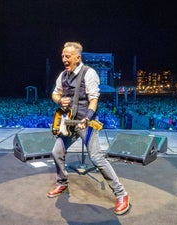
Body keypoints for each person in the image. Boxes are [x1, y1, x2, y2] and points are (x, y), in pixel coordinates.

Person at [47, 42, 130, 215]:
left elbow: (94, 99)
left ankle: (122, 194)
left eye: (67, 56)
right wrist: (58, 100)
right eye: (62, 56)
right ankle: (62, 182)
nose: (64, 59)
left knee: (96, 157)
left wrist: (87, 118)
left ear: (78, 57)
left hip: (86, 122)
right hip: (68, 123)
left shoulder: (89, 73)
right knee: (56, 152)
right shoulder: (63, 75)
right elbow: (55, 93)